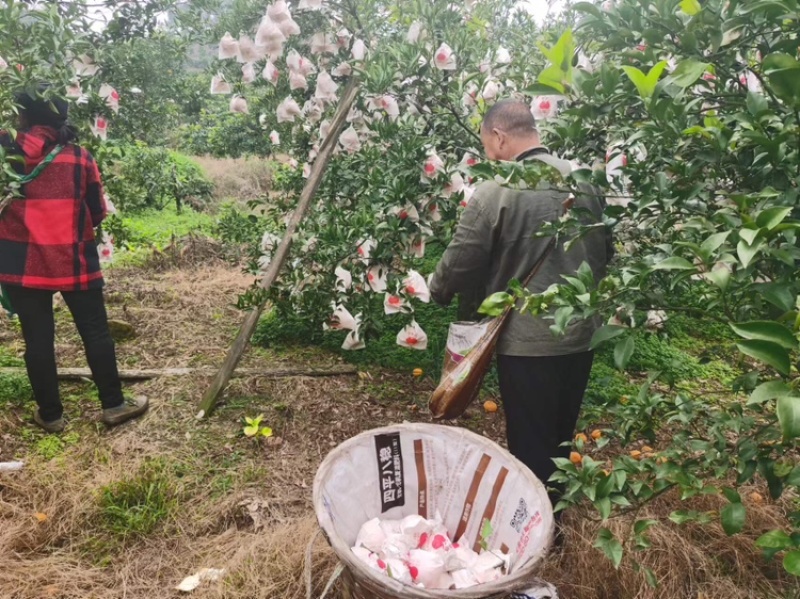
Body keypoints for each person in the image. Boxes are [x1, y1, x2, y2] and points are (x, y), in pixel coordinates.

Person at [430, 100, 612, 507]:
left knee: (530, 443)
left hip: (526, 342)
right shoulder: (586, 181)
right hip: (581, 333)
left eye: (487, 143)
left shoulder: (497, 191)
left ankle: (538, 535)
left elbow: (461, 261)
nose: (488, 154)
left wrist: (437, 290)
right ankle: (558, 519)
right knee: (561, 436)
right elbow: (605, 249)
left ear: (499, 136)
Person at [0, 86, 148, 432]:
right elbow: (96, 212)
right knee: (95, 331)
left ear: (20, 114)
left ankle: (50, 415)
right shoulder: (80, 158)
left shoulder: (6, 154)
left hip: (22, 263)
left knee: (37, 339)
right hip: (73, 259)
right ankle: (113, 405)